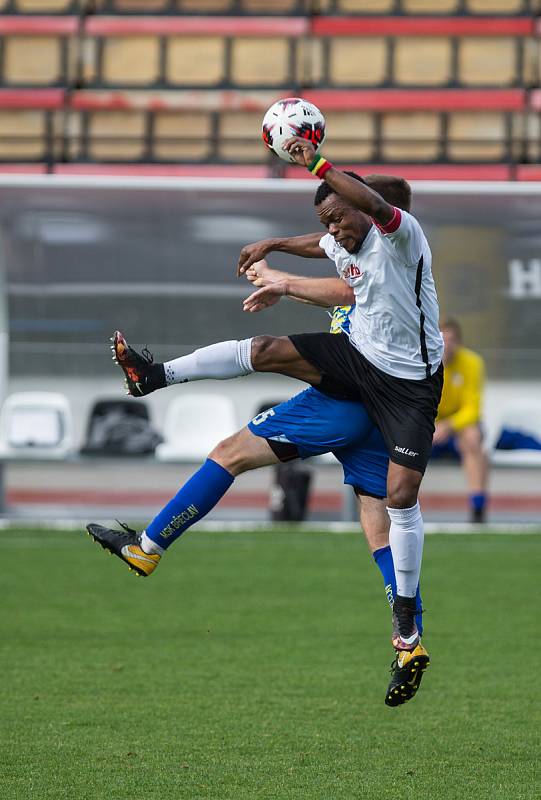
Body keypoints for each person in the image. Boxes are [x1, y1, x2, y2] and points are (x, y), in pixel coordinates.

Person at [87, 167, 437, 701]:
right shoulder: (347, 237)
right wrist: (276, 244)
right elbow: (324, 246)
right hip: (360, 373)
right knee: (376, 519)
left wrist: (312, 173)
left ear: (369, 211)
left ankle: (148, 542)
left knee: (231, 451)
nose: (333, 230)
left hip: (369, 395)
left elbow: (346, 285)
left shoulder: (397, 240)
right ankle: (408, 638)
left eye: (340, 217)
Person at [432, 317, 488, 523]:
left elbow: (472, 408)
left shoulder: (472, 363)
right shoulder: (422, 360)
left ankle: (478, 508)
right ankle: (398, 506)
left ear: (459, 342)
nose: (446, 345)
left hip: (456, 428)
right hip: (429, 427)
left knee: (473, 437)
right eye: (442, 339)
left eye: (452, 340)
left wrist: (448, 426)